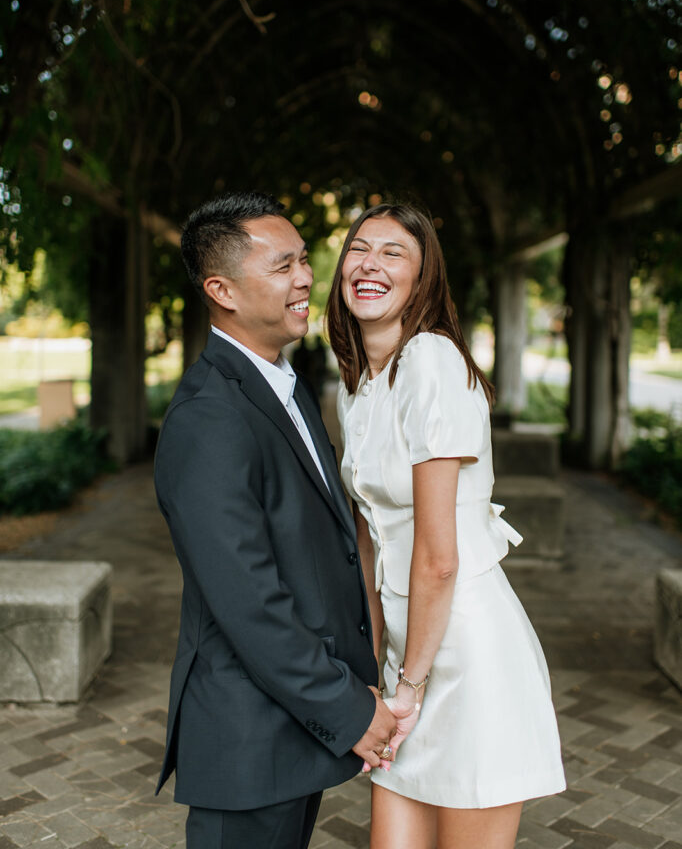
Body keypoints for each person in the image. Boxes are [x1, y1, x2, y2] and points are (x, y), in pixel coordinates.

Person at [154, 192, 398, 849]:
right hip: (247, 739)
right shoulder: (210, 419)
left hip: (289, 728)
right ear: (222, 290)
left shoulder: (279, 384)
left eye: (303, 262)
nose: (306, 279)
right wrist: (348, 709)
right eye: (284, 265)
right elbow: (248, 600)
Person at [326, 203, 566, 849]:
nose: (370, 263)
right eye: (359, 248)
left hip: (466, 656)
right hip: (410, 661)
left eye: (393, 252)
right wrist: (373, 671)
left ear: (422, 278)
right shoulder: (357, 386)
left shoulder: (430, 360)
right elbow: (370, 545)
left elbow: (438, 556)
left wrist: (408, 687)